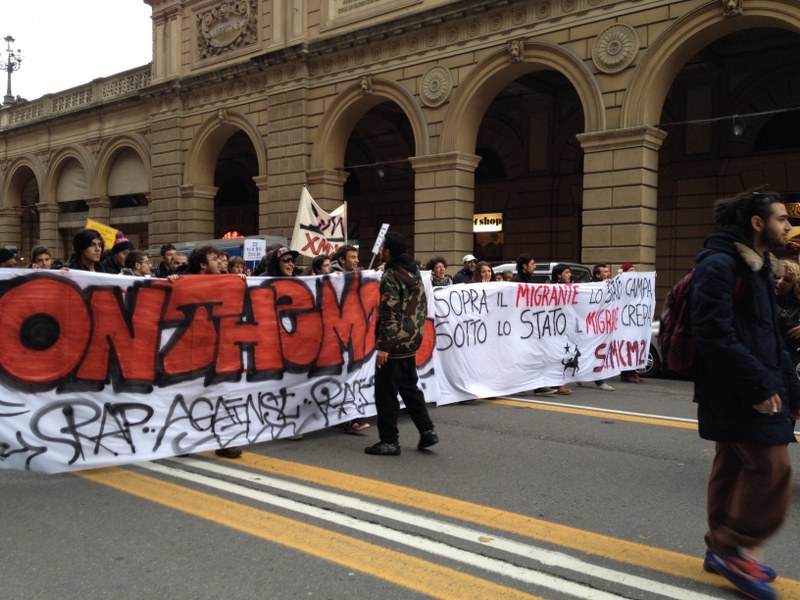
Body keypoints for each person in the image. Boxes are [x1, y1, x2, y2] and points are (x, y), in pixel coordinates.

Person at [691, 190, 800, 600]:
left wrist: (793, 392)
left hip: (754, 385)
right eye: (781, 218)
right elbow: (712, 333)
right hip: (737, 391)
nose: (788, 225)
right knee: (773, 470)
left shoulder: (757, 267)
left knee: (733, 466)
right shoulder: (719, 265)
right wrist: (758, 385)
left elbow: (771, 338)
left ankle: (720, 548)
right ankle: (734, 549)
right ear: (757, 223)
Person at [366, 231, 438, 456]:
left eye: (382, 247)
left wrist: (384, 347)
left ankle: (389, 441)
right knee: (410, 388)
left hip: (394, 343)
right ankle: (427, 430)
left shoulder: (391, 276)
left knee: (386, 393)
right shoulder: (413, 270)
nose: (380, 251)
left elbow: (390, 313)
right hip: (411, 339)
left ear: (388, 252)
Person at [618, 262, 643, 384]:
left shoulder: (637, 284)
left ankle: (632, 371)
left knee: (634, 347)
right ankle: (626, 373)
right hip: (625, 321)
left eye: (634, 269)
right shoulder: (621, 283)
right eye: (631, 270)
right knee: (626, 347)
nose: (634, 272)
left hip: (634, 321)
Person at [775, 259, 800, 365]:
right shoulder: (763, 301)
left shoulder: (797, 305)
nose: (780, 282)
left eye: (787, 280)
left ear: (795, 284)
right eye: (777, 277)